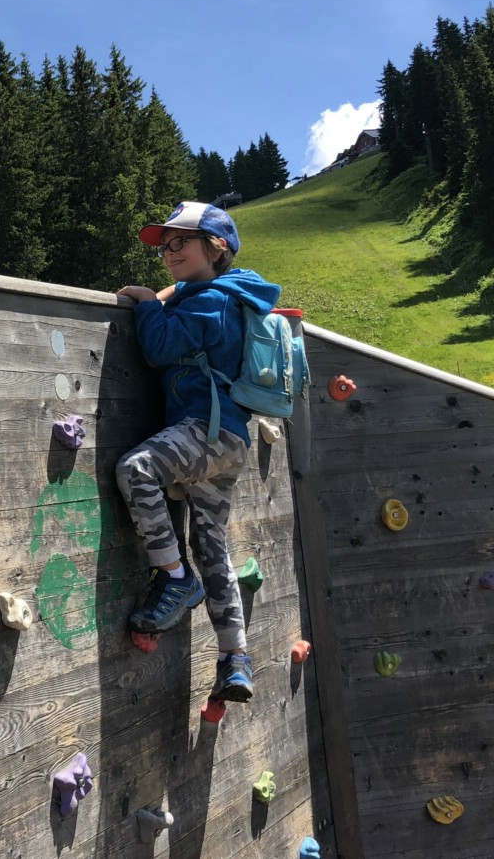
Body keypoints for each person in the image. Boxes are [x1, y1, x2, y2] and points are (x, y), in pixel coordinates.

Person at [115, 201, 281, 703]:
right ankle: (235, 658)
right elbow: (187, 304)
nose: (169, 252)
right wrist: (168, 292)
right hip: (227, 442)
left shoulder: (210, 300)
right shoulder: (226, 293)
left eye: (180, 242)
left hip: (204, 433)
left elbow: (160, 347)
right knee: (212, 546)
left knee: (136, 470)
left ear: (216, 247)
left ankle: (174, 577)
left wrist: (148, 302)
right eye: (165, 246)